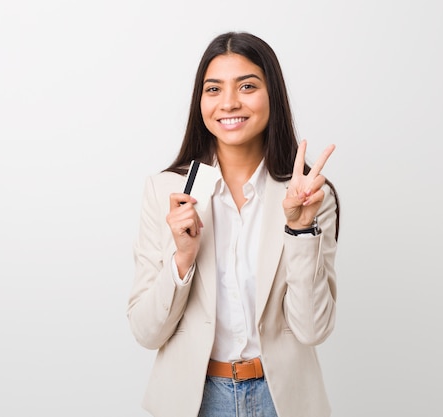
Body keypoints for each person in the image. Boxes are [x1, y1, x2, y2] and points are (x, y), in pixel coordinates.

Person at [127, 31, 340, 417]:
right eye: (213, 89)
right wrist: (182, 258)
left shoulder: (306, 195)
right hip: (196, 401)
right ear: (201, 101)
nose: (229, 103)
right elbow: (146, 332)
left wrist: (300, 230)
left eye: (247, 86)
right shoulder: (165, 192)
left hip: (283, 401)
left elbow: (311, 330)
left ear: (272, 95)